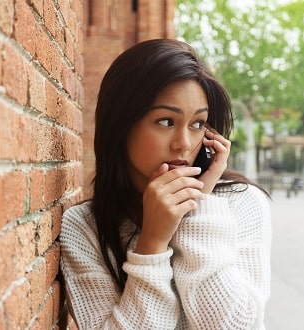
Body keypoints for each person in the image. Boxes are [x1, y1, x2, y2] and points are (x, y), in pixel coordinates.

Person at [60, 38, 272, 329]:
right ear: (121, 124)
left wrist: (197, 207)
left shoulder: (241, 203)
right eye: (165, 121)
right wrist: (152, 244)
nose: (183, 144)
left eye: (197, 124)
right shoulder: (84, 226)